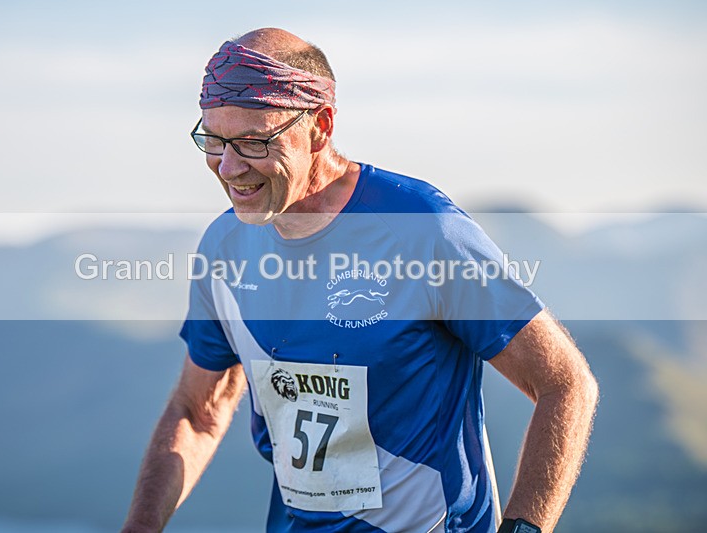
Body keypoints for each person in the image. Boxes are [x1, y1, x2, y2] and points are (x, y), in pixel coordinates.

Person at [122, 28, 598, 533]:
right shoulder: (224, 247)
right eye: (213, 141)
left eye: (254, 142)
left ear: (320, 127)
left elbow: (565, 384)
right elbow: (198, 411)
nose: (229, 167)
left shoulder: (421, 229)